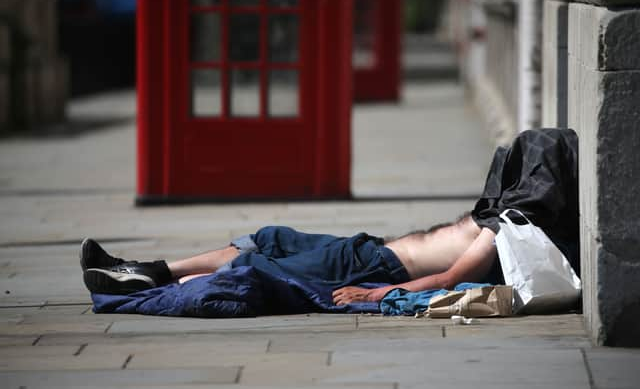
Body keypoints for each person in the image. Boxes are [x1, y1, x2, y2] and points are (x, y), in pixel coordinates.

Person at [81, 128, 579, 307]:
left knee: (261, 263)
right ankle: (150, 269)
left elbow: (451, 277)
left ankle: (141, 284)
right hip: (371, 250)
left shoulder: (514, 230)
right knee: (269, 237)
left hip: (376, 268)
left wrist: (381, 293)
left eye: (522, 164)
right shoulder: (507, 217)